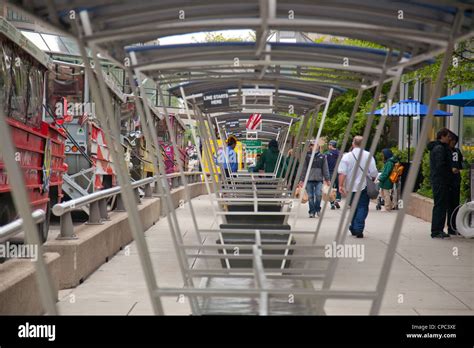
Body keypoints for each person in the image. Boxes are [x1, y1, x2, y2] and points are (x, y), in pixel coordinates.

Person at [338, 136, 378, 238]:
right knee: (362, 207)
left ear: (353, 144)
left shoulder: (346, 156)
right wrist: (372, 179)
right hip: (364, 185)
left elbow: (342, 173)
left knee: (353, 207)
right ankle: (358, 228)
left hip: (350, 187)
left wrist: (340, 185)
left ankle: (354, 227)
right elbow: (373, 172)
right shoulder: (368, 155)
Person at [427, 128, 453, 239]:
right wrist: (448, 174)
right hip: (440, 181)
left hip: (440, 180)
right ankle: (437, 230)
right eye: (448, 136)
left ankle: (438, 229)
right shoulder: (439, 149)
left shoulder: (440, 148)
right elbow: (440, 166)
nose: (449, 139)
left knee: (441, 205)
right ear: (442, 136)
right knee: (440, 205)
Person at [299, 142, 330, 218]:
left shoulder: (322, 157)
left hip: (319, 179)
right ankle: (312, 211)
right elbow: (304, 169)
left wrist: (327, 179)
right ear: (311, 147)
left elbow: (325, 168)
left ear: (318, 146)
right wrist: (301, 180)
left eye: (315, 145)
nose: (314, 146)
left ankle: (318, 209)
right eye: (312, 145)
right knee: (310, 197)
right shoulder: (307, 157)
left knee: (318, 195)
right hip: (309, 179)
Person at [447, 131, 463, 235]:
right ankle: (451, 227)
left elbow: (457, 166)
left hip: (453, 181)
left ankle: (452, 227)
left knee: (453, 205)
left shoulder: (454, 152)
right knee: (452, 205)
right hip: (452, 181)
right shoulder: (451, 151)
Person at [325, 140, 341, 210]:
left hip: (330, 172)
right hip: (339, 172)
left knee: (330, 188)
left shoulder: (327, 154)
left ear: (331, 145)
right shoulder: (340, 153)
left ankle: (332, 203)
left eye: (329, 145)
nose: (328, 146)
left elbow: (325, 165)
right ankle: (337, 199)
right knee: (338, 186)